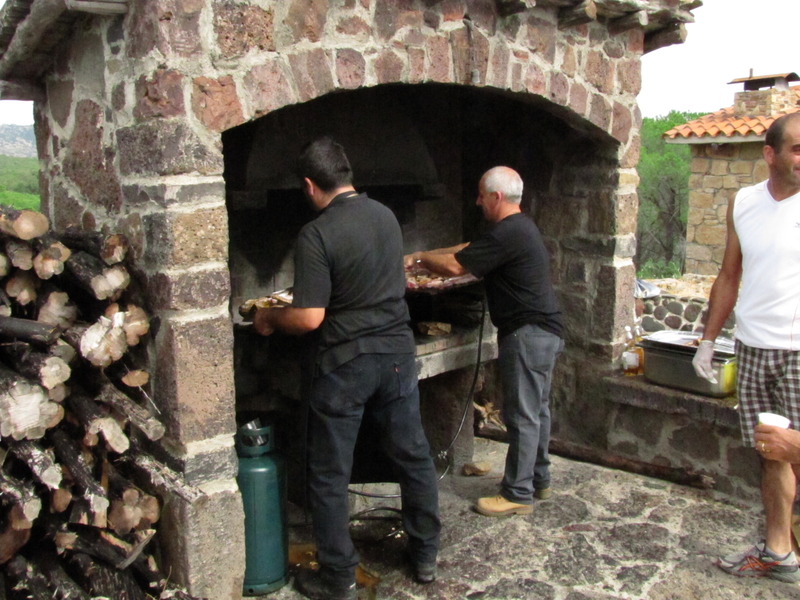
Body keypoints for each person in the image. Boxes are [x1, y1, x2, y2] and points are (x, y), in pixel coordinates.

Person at [254, 137, 441, 600]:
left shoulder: (316, 233)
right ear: (347, 175)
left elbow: (309, 317)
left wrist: (268, 317)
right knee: (412, 456)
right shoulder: (385, 216)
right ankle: (425, 554)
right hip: (397, 356)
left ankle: (338, 576)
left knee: (329, 472)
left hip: (344, 364)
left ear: (309, 185)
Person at [406, 166, 564, 517]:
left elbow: (455, 266)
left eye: (480, 195)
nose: (476, 201)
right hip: (542, 333)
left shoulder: (510, 233)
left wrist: (417, 258)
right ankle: (539, 479)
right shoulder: (516, 228)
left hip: (528, 334)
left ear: (496, 197)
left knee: (521, 415)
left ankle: (517, 494)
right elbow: (467, 249)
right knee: (536, 411)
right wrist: (428, 251)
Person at [692, 112, 800, 583]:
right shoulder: (744, 202)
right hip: (755, 347)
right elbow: (729, 275)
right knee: (772, 453)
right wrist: (708, 340)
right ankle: (780, 553)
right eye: (797, 148)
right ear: (770, 154)